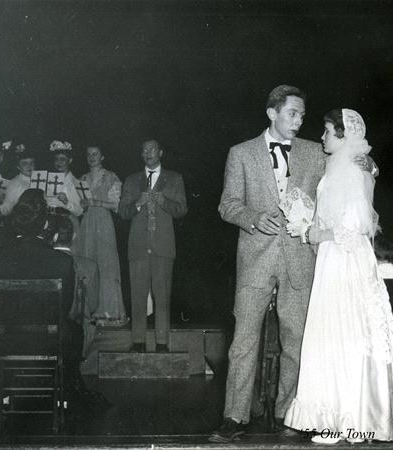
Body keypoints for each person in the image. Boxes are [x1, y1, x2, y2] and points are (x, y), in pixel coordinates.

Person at [211, 85, 377, 443]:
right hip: (255, 258)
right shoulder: (240, 153)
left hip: (302, 259)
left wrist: (370, 165)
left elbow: (351, 169)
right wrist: (252, 218)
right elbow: (227, 204)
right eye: (293, 114)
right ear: (272, 113)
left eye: (302, 115)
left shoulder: (316, 152)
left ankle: (291, 413)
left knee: (298, 339)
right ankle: (235, 415)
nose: (299, 122)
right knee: (243, 341)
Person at [284, 109, 393, 444]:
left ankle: (349, 420)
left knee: (344, 333)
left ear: (343, 135)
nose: (322, 137)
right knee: (333, 334)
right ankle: (336, 417)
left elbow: (358, 220)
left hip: (344, 257)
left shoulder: (350, 166)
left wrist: (320, 235)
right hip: (334, 257)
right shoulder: (340, 163)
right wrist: (308, 224)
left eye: (328, 131)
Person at [0, 189, 85, 394]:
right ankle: (64, 391)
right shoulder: (62, 262)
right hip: (48, 343)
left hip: (6, 343)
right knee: (76, 330)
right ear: (46, 224)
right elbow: (65, 309)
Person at [119, 139, 187, 353]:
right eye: (144, 150)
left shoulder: (174, 178)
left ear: (161, 152)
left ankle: (162, 343)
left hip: (163, 247)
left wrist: (163, 201)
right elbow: (122, 212)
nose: (147, 152)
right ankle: (138, 341)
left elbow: (182, 209)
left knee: (163, 296)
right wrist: (138, 202)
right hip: (138, 246)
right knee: (137, 296)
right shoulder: (131, 180)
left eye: (152, 149)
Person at [77, 145, 127, 326]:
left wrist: (95, 202)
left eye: (95, 154)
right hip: (87, 223)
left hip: (103, 222)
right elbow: (78, 205)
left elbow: (117, 205)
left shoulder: (110, 176)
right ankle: (88, 312)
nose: (92, 157)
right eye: (88, 154)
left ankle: (109, 313)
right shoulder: (82, 179)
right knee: (87, 263)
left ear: (102, 156)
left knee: (106, 264)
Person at [52, 215, 100, 357]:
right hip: (76, 335)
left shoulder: (41, 264)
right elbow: (93, 306)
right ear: (73, 236)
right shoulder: (89, 266)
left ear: (53, 236)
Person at [0, 145, 34, 216]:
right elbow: (6, 208)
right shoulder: (14, 184)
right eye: (24, 163)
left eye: (31, 163)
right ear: (18, 167)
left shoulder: (41, 180)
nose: (29, 166)